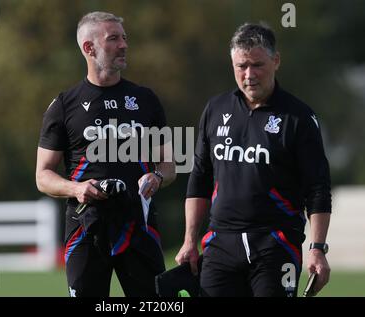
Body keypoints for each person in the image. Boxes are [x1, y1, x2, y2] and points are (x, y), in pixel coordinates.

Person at [175, 22, 331, 297]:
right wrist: (189, 240)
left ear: (276, 60)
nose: (249, 75)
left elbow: (317, 189)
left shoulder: (299, 118)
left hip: (275, 243)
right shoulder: (215, 109)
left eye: (257, 65)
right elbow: (199, 178)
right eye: (241, 66)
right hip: (220, 244)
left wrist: (317, 249)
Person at [35, 11, 176, 297]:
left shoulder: (146, 99)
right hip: (86, 228)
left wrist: (157, 177)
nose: (124, 45)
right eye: (114, 39)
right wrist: (77, 188)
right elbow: (43, 176)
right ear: (89, 48)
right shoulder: (64, 105)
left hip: (139, 225)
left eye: (124, 38)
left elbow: (170, 164)